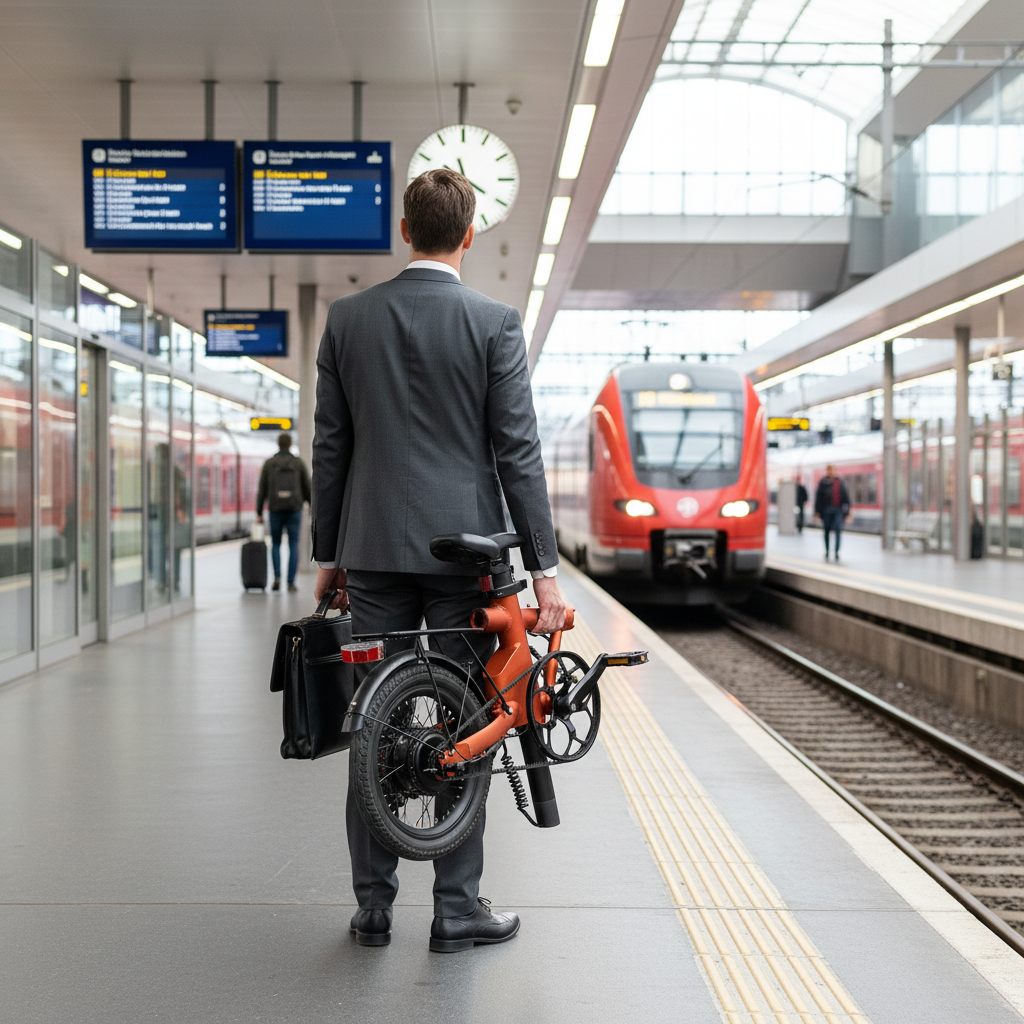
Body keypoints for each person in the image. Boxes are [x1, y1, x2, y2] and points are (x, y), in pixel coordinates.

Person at [311, 168, 566, 953]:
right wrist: (546, 567)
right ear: (468, 235)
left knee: (373, 723)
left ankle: (372, 906)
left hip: (375, 551)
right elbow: (516, 451)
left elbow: (332, 446)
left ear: (403, 230)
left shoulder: (348, 320)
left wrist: (329, 551)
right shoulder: (493, 322)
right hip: (466, 555)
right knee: (467, 715)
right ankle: (457, 908)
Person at [256, 432, 311, 593]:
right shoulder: (298, 463)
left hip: (275, 509)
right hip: (295, 509)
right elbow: (307, 486)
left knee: (276, 543)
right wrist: (311, 504)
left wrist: (259, 511)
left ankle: (277, 578)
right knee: (293, 544)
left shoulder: (269, 464)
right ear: (290, 445)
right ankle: (291, 582)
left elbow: (262, 490)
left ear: (278, 444)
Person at [814, 464, 850, 560]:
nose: (831, 471)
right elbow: (818, 498)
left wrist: (848, 512)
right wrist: (817, 512)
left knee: (838, 530)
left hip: (838, 510)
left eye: (832, 469)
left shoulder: (840, 482)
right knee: (826, 531)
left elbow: (846, 497)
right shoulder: (823, 482)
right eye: (829, 470)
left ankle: (837, 552)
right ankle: (827, 551)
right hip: (826, 510)